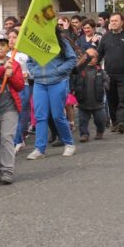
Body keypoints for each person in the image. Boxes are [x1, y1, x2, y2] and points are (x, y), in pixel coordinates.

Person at [26, 25, 78, 159]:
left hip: (57, 82)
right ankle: (39, 149)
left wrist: (59, 71)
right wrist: (34, 71)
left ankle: (69, 144)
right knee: (40, 116)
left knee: (57, 115)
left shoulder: (60, 41)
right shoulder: (34, 42)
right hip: (39, 83)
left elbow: (72, 59)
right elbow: (29, 62)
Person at [0, 32, 24, 184]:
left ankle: (8, 171)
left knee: (7, 138)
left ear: (8, 46)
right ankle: (1, 168)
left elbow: (20, 86)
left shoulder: (15, 64)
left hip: (10, 107)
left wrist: (12, 75)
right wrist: (2, 71)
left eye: (3, 45)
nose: (0, 48)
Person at [96, 13, 124, 133]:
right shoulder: (105, 37)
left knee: (123, 99)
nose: (113, 22)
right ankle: (114, 122)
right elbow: (99, 54)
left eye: (116, 20)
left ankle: (121, 122)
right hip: (109, 74)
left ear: (122, 22)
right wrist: (94, 66)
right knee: (111, 99)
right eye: (112, 21)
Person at [74, 47, 106, 141]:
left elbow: (106, 79)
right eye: (87, 57)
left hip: (97, 102)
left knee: (100, 120)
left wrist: (106, 85)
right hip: (83, 102)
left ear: (96, 59)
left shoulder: (100, 71)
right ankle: (84, 134)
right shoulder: (79, 71)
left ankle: (100, 131)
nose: (89, 59)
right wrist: (72, 89)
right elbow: (73, 81)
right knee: (82, 120)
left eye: (92, 57)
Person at [8, 27, 32, 153]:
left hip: (23, 86)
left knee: (20, 114)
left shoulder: (25, 55)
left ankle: (18, 139)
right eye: (9, 37)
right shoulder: (6, 55)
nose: (11, 40)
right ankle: (17, 139)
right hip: (9, 88)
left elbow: (32, 70)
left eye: (14, 37)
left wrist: (26, 73)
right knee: (11, 115)